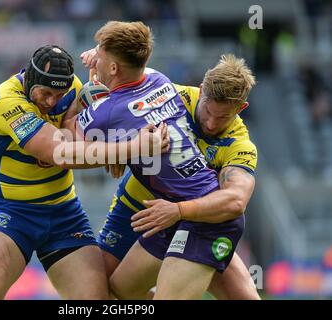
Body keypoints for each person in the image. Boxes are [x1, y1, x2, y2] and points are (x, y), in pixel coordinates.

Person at [0, 44, 169, 300]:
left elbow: (86, 125)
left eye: (58, 95)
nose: (51, 102)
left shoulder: (72, 88)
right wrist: (130, 149)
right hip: (13, 213)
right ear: (29, 79)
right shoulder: (7, 103)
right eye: (45, 93)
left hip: (64, 213)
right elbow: (60, 153)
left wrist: (104, 59)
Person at [77, 22, 259, 299]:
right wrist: (103, 54)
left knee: (241, 296)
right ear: (201, 90)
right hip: (137, 204)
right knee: (112, 288)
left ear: (240, 108)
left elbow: (235, 201)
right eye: (207, 110)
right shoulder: (175, 94)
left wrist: (179, 211)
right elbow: (130, 73)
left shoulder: (239, 145)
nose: (210, 123)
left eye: (222, 117)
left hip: (194, 213)